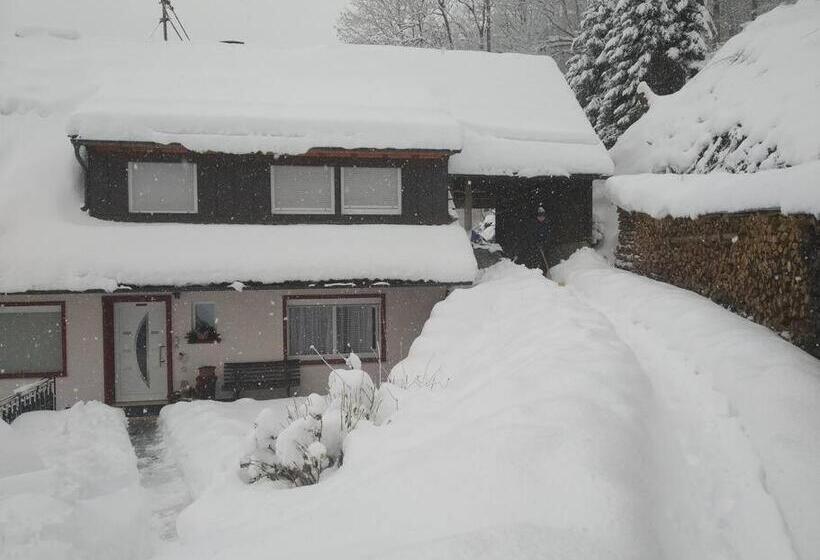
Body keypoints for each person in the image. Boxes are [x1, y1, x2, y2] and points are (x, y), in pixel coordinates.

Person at [532, 206, 550, 274]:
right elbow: (533, 235)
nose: (541, 218)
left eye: (543, 216)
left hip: (545, 246)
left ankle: (545, 274)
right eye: (540, 216)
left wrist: (545, 243)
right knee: (537, 261)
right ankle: (538, 275)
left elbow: (548, 235)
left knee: (545, 262)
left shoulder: (547, 224)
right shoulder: (534, 224)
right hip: (536, 247)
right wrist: (537, 243)